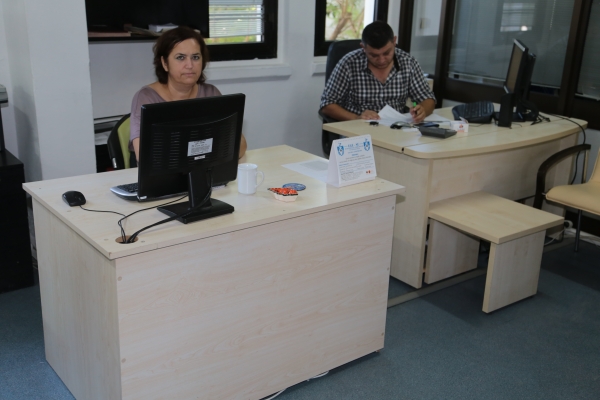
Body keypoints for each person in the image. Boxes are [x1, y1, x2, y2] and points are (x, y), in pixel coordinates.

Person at [129, 26, 247, 163]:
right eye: (180, 57)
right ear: (165, 63)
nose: (190, 65)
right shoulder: (146, 98)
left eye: (195, 57)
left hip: (201, 169)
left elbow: (240, 146)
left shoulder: (211, 93)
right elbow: (144, 156)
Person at [320, 21, 436, 123]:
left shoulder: (408, 62)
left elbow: (428, 98)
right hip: (358, 129)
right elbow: (327, 105)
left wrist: (422, 110)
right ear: (363, 47)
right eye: (374, 55)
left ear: (394, 41)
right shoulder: (349, 64)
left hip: (396, 129)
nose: (381, 60)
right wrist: (357, 118)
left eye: (387, 53)